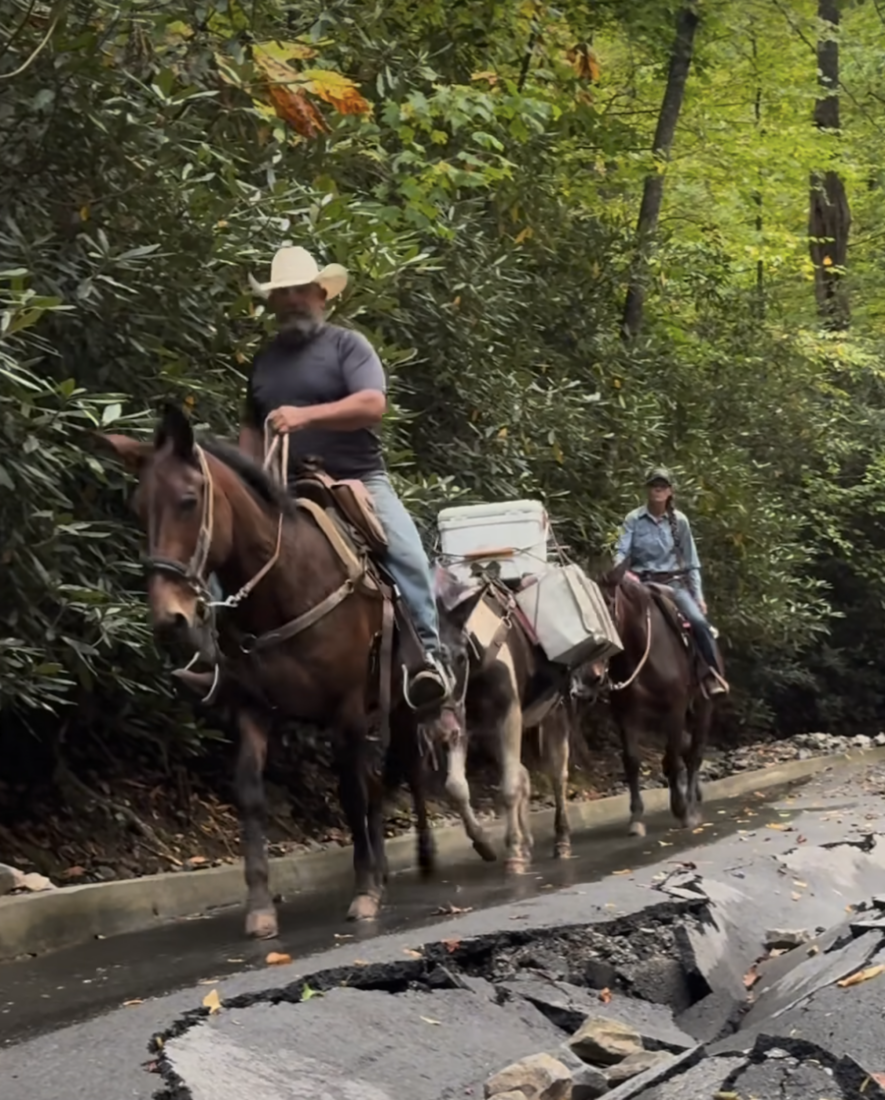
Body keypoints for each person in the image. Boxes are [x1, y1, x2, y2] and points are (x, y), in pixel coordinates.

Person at [237, 245, 454, 713]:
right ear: (273, 302)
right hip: (283, 486)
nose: (294, 299)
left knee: (407, 554)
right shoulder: (263, 361)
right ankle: (219, 661)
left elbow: (372, 405)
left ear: (321, 295)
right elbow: (251, 434)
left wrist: (303, 416)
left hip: (356, 481)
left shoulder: (347, 346)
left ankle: (430, 662)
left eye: (302, 291)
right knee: (227, 551)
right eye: (284, 293)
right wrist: (246, 481)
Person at [614, 467, 729, 696]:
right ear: (647, 490)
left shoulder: (680, 522)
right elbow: (621, 552)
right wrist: (619, 575)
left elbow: (691, 562)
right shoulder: (634, 519)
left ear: (670, 491)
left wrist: (699, 597)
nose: (658, 490)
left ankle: (711, 675)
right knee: (615, 619)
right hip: (639, 584)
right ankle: (602, 679)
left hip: (672, 585)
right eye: (654, 486)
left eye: (662, 486)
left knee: (698, 622)